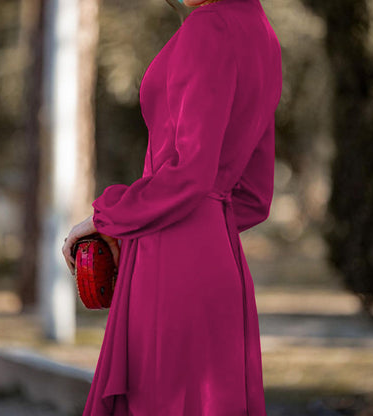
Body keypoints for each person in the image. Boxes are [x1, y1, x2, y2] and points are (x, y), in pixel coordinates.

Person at [62, 0, 282, 414]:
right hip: (220, 259)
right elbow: (255, 196)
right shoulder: (263, 34)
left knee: (160, 400)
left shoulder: (208, 26)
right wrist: (206, 228)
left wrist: (106, 218)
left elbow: (190, 172)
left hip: (171, 257)